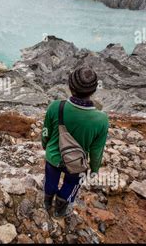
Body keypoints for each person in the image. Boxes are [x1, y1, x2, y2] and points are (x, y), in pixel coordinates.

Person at [41, 66, 109, 217]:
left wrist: (45, 145)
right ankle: (60, 210)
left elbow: (45, 131)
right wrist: (95, 169)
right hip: (77, 163)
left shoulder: (56, 107)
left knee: (50, 180)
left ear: (70, 87)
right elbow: (97, 151)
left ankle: (46, 203)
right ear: (93, 91)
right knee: (71, 185)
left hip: (54, 157)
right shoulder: (102, 119)